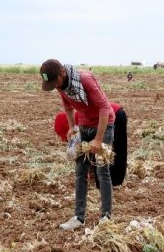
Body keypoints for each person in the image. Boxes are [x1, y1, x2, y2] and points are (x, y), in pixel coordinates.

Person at [40, 59, 115, 230]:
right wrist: (73, 127)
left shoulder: (85, 79)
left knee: (102, 171)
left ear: (62, 73)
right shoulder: (61, 85)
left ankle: (106, 218)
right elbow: (68, 107)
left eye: (54, 82)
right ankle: (79, 217)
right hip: (84, 126)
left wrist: (98, 139)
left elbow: (104, 108)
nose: (54, 87)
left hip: (104, 125)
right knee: (80, 172)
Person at [54, 102, 127, 187]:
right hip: (118, 113)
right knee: (118, 149)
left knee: (101, 151)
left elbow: (88, 151)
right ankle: (116, 180)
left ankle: (110, 182)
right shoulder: (76, 119)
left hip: (111, 116)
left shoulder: (79, 125)